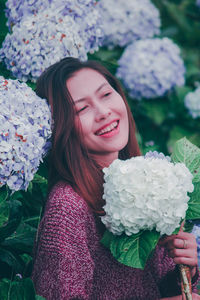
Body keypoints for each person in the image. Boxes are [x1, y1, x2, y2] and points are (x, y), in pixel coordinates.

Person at [32, 57, 200, 300]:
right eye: (82, 109)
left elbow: (156, 286)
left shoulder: (147, 182)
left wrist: (186, 267)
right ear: (61, 127)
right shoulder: (67, 207)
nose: (103, 112)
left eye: (106, 95)